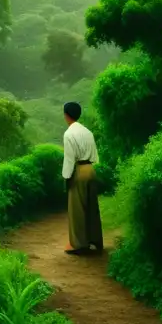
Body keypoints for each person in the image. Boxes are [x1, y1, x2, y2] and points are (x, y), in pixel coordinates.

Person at [61, 101, 102, 254]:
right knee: (92, 207)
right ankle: (95, 240)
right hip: (90, 169)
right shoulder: (87, 132)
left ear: (66, 115)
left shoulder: (69, 133)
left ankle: (79, 244)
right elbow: (95, 154)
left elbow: (69, 159)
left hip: (78, 170)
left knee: (77, 209)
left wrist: (66, 176)